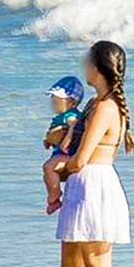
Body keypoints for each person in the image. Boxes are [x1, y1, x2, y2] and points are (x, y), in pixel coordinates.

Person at [51, 41, 134, 267]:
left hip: (95, 188)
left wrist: (58, 167)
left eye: (87, 61)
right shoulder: (93, 103)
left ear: (98, 69)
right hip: (81, 187)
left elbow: (80, 159)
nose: (83, 66)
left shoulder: (106, 107)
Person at [42, 75, 85, 214]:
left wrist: (67, 139)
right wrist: (48, 140)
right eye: (53, 99)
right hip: (59, 152)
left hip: (68, 153)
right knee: (47, 173)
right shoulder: (60, 117)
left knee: (48, 167)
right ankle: (54, 195)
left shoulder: (70, 115)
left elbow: (74, 125)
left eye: (57, 100)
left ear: (72, 102)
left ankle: (54, 197)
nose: (53, 102)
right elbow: (55, 133)